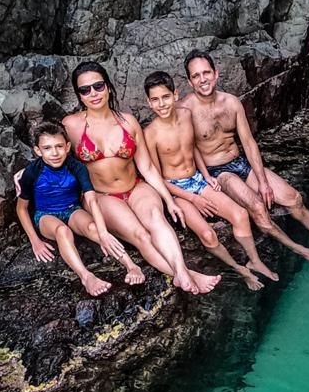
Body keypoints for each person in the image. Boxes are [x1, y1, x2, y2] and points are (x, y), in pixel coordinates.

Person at [61, 62, 220, 295]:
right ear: (79, 95)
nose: (93, 93)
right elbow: (52, 151)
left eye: (98, 86)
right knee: (141, 235)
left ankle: (181, 272)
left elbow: (146, 166)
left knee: (157, 218)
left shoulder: (128, 121)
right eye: (85, 90)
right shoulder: (71, 125)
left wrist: (169, 200)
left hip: (135, 187)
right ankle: (185, 273)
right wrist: (26, 171)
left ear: (108, 87)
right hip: (103, 195)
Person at [182, 51, 309, 261]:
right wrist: (203, 179)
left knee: (293, 198)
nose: (203, 79)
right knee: (257, 208)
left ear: (216, 74)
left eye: (206, 73)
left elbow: (248, 142)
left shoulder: (232, 102)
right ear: (190, 82)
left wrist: (262, 181)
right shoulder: (184, 110)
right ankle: (298, 249)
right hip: (219, 172)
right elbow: (187, 149)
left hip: (240, 163)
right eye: (196, 76)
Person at [143, 71, 279, 292]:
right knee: (207, 234)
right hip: (177, 189)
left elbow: (193, 148)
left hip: (197, 179)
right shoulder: (150, 134)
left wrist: (206, 176)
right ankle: (239, 269)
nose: (162, 104)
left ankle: (254, 260)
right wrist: (192, 198)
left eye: (165, 97)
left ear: (175, 94)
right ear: (149, 103)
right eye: (155, 100)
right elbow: (156, 178)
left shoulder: (186, 115)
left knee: (241, 214)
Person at [16, 121, 144, 296]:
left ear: (68, 146)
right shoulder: (32, 172)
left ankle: (131, 265)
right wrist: (35, 241)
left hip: (72, 209)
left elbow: (92, 200)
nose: (54, 153)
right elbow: (22, 208)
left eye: (59, 146)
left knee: (93, 228)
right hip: (45, 215)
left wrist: (103, 232)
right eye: (47, 148)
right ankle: (86, 277)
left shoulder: (77, 167)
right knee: (62, 231)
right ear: (37, 151)